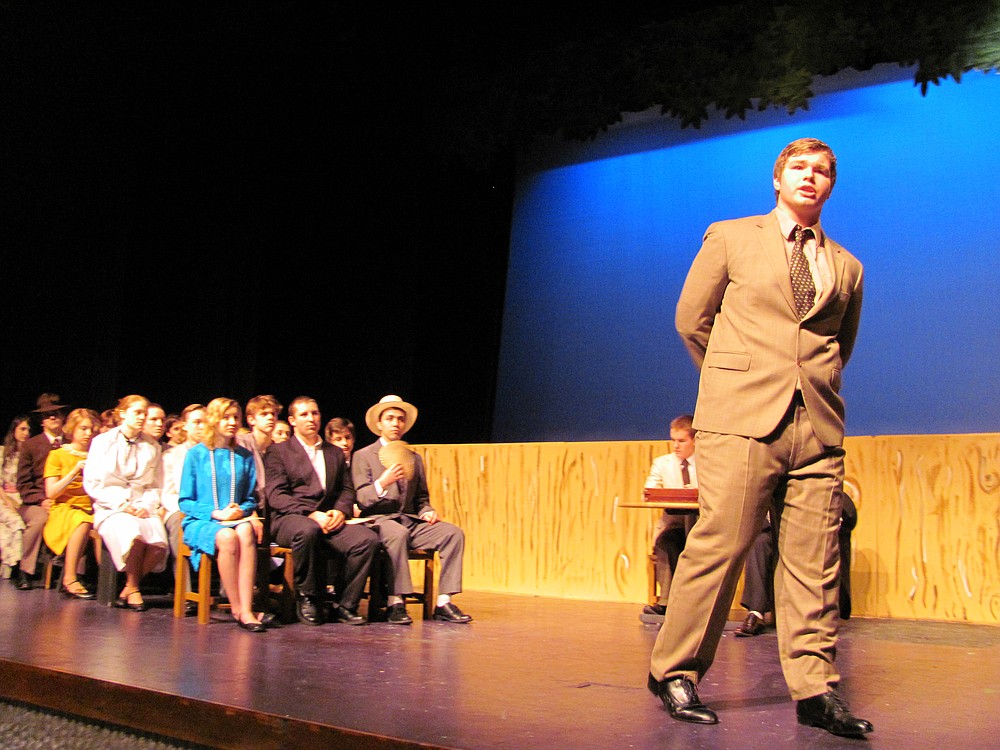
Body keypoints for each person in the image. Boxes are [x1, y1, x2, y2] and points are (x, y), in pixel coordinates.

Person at [647, 138, 871, 737]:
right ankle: (674, 669)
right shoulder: (731, 236)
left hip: (817, 424)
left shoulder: (847, 265)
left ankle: (816, 688)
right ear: (778, 179)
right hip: (740, 418)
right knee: (721, 545)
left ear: (831, 186)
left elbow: (837, 347)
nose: (811, 177)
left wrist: (806, 389)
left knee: (813, 562)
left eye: (823, 170)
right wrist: (731, 382)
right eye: (799, 167)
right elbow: (690, 320)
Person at [353, 395, 472, 625]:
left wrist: (427, 510)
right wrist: (383, 482)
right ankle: (395, 601)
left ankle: (444, 601)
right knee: (398, 534)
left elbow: (421, 498)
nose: (395, 423)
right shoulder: (363, 456)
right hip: (378, 521)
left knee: (452, 534)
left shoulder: (414, 458)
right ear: (379, 424)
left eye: (399, 419)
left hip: (409, 520)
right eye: (389, 418)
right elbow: (362, 498)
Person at [264, 397, 378, 626]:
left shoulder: (334, 452)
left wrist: (340, 511)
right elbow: (276, 495)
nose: (311, 419)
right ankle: (308, 597)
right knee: (308, 531)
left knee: (367, 540)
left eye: (314, 413)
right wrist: (310, 513)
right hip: (291, 518)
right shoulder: (279, 452)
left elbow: (346, 489)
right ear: (292, 420)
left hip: (329, 519)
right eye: (304, 414)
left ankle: (344, 604)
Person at [179, 398, 266, 632]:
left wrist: (241, 510)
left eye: (236, 418)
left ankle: (247, 607)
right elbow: (185, 501)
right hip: (202, 520)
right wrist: (216, 513)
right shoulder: (196, 455)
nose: (232, 422)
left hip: (236, 519)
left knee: (246, 531)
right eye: (226, 417)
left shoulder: (244, 456)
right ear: (214, 420)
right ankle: (237, 607)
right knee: (227, 537)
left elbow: (249, 498)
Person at [83, 395, 169, 612]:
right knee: (133, 532)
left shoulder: (152, 446)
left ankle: (129, 587)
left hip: (141, 505)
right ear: (123, 414)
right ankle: (134, 589)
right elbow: (92, 483)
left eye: (144, 413)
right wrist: (121, 504)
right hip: (111, 506)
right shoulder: (102, 442)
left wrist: (147, 505)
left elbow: (155, 484)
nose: (142, 418)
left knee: (159, 543)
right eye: (137, 413)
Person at [735, 493, 858, 636]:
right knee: (759, 541)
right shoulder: (770, 490)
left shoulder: (816, 486)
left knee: (817, 540)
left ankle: (815, 612)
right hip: (780, 537)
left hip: (808, 535)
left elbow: (849, 512)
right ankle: (756, 613)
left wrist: (835, 514)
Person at [639, 414, 697, 624]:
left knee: (701, 547)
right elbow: (648, 491)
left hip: (703, 525)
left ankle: (699, 606)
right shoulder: (662, 463)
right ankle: (666, 603)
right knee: (667, 543)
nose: (676, 446)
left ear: (694, 440)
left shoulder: (706, 463)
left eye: (682, 441)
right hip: (674, 523)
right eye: (673, 440)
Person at [43, 408, 99, 599]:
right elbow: (51, 492)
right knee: (82, 521)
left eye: (91, 429)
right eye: (83, 428)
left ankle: (109, 581)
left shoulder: (97, 455)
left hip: (93, 506)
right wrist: (74, 471)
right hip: (66, 507)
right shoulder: (58, 455)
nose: (88, 433)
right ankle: (69, 578)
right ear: (72, 429)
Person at [14, 393, 68, 590]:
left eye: (56, 413)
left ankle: (71, 576)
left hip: (65, 501)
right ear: (42, 421)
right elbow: (23, 484)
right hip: (34, 503)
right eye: (47, 415)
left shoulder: (71, 443)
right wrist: (41, 500)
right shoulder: (31, 445)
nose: (53, 417)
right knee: (39, 520)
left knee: (79, 519)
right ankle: (25, 570)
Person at [236, 395, 283, 508]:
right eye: (264, 414)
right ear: (251, 419)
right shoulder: (241, 444)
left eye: (273, 414)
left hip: (272, 507)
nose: (270, 417)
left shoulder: (279, 449)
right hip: (247, 507)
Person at [0, 416, 29, 581]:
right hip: (3, 498)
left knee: (4, 531)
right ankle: (15, 565)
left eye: (28, 430)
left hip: (20, 498)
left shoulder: (27, 454)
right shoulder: (3, 452)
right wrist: (8, 501)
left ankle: (7, 569)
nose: (26, 433)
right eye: (22, 429)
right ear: (14, 431)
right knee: (17, 524)